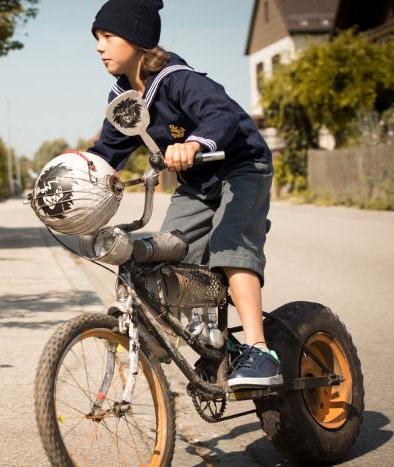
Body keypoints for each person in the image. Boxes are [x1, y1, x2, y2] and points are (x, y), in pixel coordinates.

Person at [87, 0, 282, 388]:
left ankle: (261, 352)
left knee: (230, 243)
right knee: (171, 251)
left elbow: (220, 114)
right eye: (96, 38)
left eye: (107, 36)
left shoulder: (178, 79)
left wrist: (193, 143)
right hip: (197, 184)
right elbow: (108, 153)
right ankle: (220, 348)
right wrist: (76, 176)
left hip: (241, 166)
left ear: (138, 40)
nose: (99, 46)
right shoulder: (123, 99)